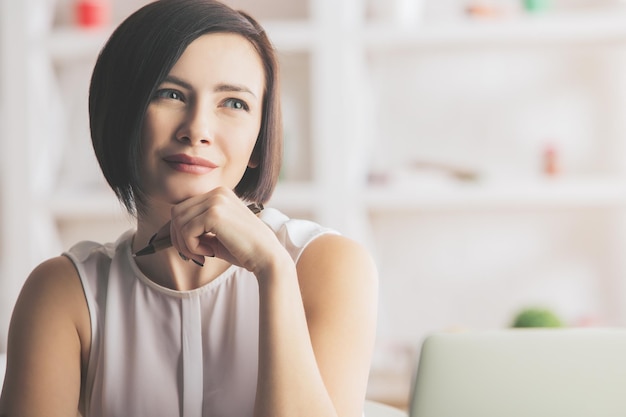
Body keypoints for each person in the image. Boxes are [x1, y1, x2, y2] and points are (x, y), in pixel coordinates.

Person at [0, 0, 378, 416]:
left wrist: (274, 271)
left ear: (259, 140)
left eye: (234, 103)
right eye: (171, 94)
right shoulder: (62, 294)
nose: (197, 128)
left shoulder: (328, 266)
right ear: (122, 115)